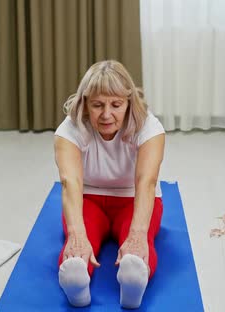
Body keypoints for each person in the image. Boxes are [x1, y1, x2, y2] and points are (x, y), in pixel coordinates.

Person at [54, 60, 165, 309]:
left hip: (133, 199)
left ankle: (135, 279)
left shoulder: (149, 126)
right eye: (97, 105)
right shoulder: (69, 129)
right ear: (85, 104)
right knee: (77, 246)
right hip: (89, 199)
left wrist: (136, 235)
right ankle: (76, 284)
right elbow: (69, 182)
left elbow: (146, 182)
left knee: (140, 242)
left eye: (116, 105)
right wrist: (76, 235)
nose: (106, 114)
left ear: (128, 102)